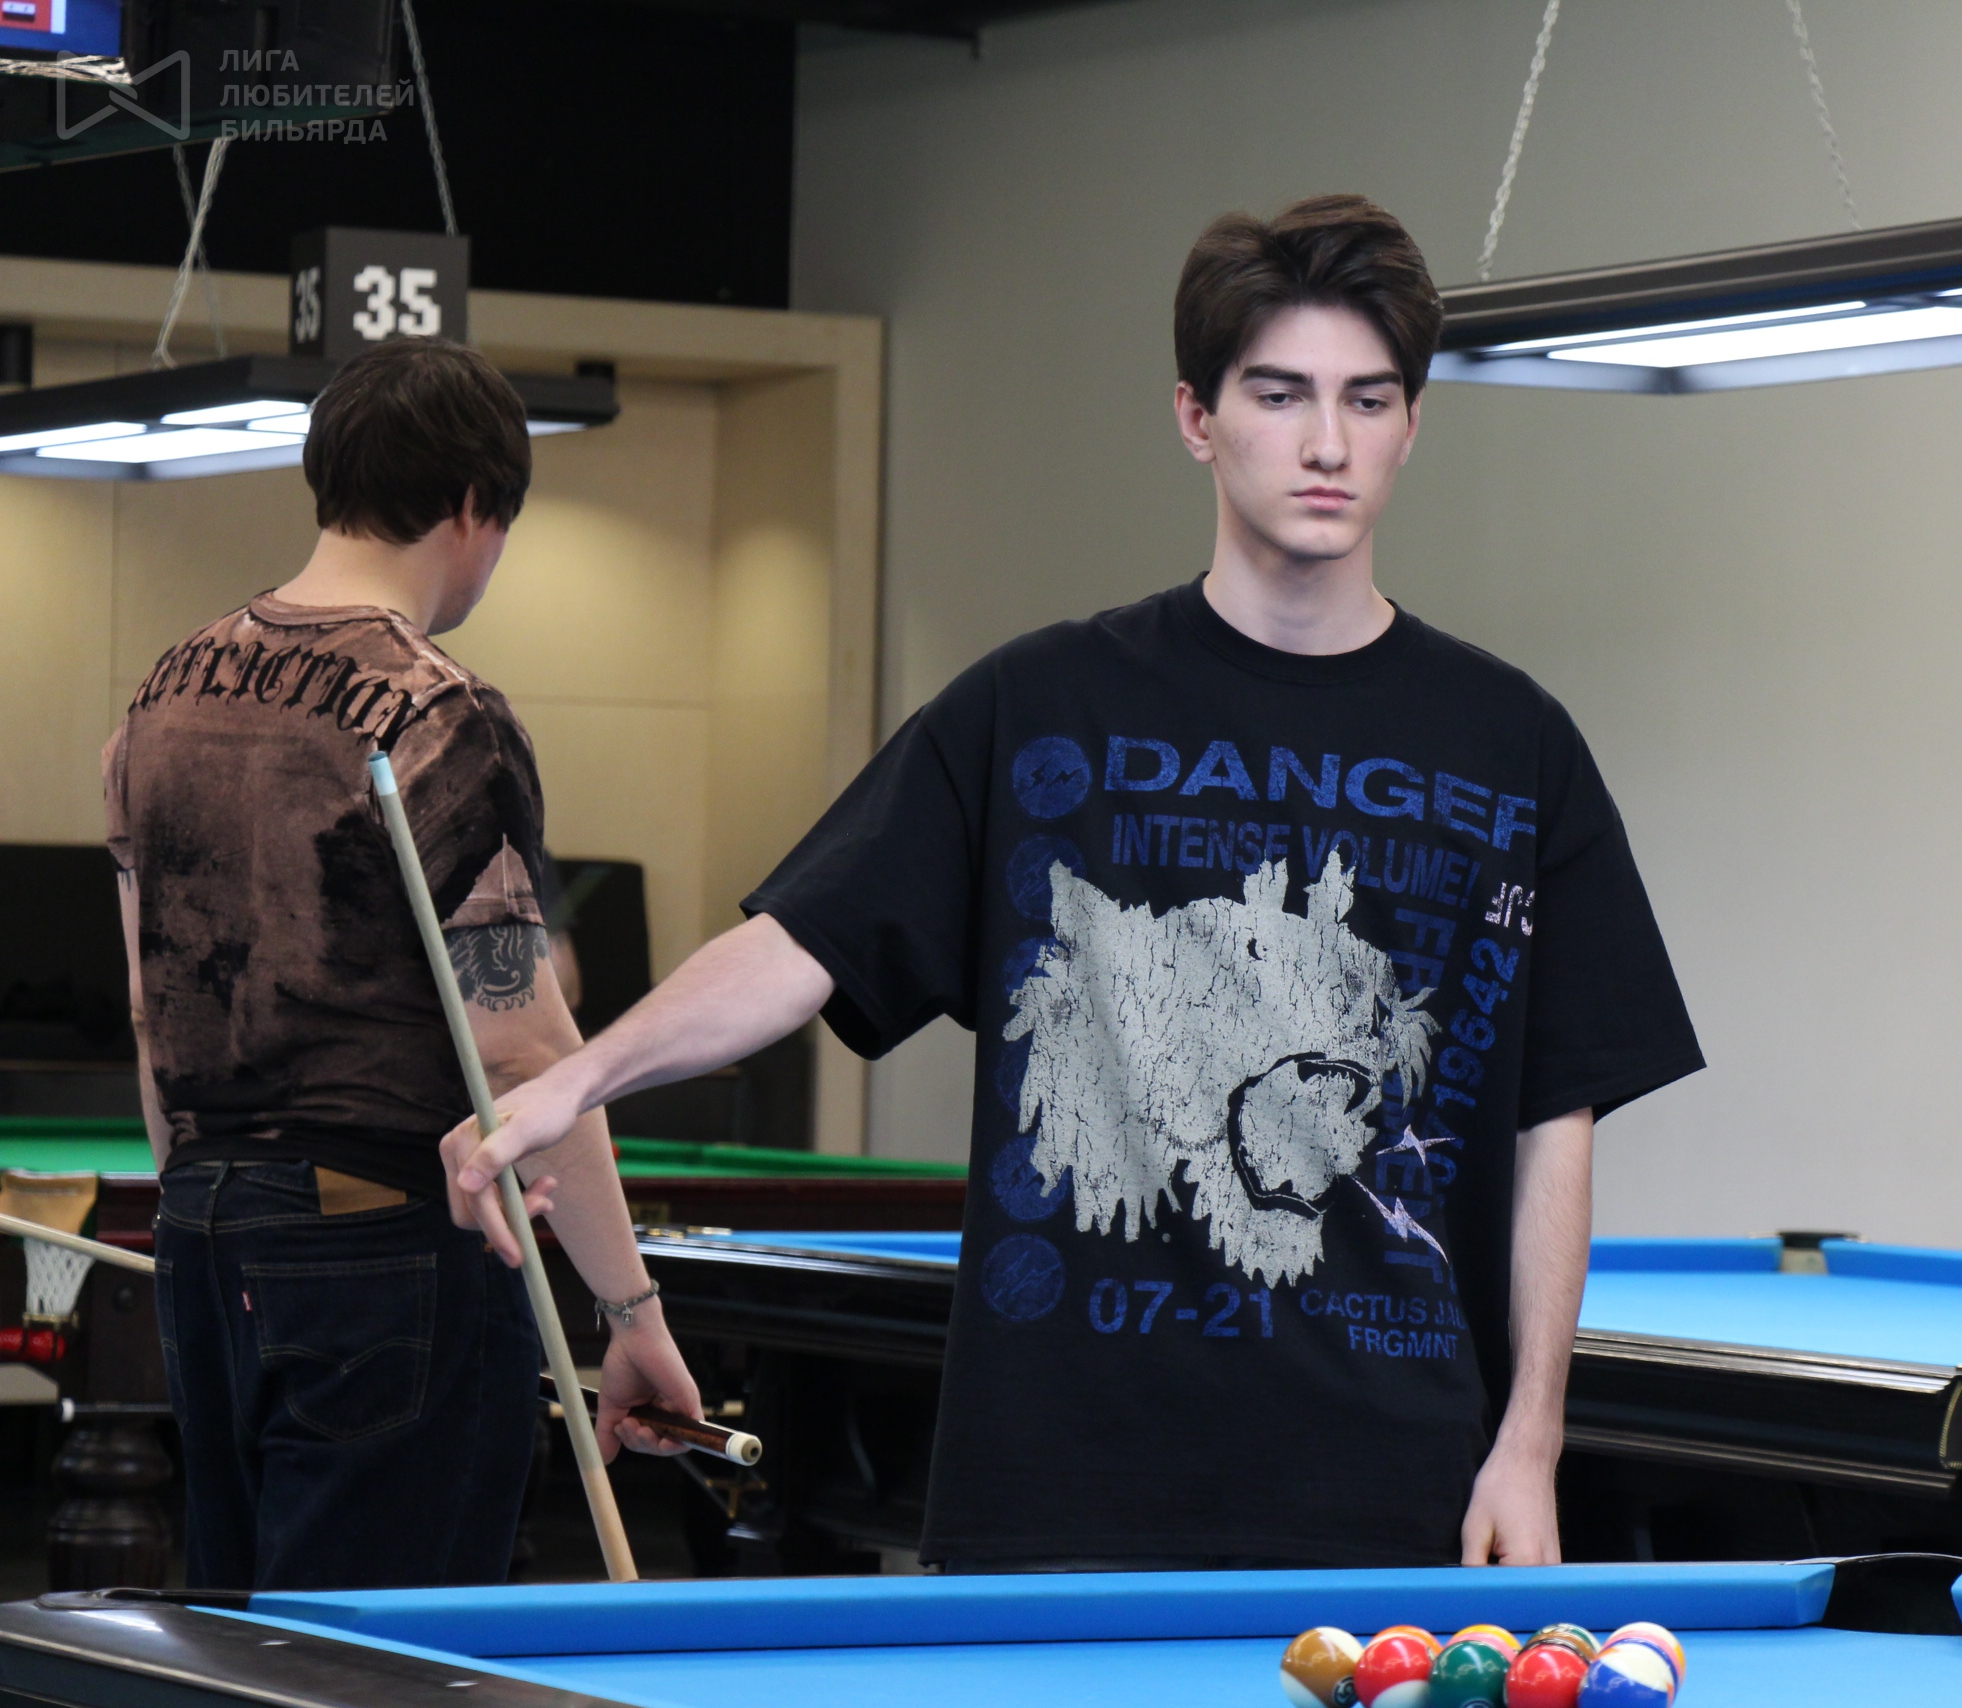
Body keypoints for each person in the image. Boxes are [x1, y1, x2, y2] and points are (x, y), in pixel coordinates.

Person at [449, 195, 1703, 1570]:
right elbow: (804, 943)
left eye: (1368, 399)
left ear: (1412, 425)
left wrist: (1530, 1445)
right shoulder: (1040, 707)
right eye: (1279, 394)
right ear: (1197, 418)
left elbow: (1552, 1118)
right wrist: (579, 1079)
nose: (1327, 443)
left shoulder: (1512, 744)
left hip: (1391, 1486)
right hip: (1062, 1481)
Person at [106, 336, 699, 1590]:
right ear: (476, 506)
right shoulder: (441, 713)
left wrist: (206, 1221)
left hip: (201, 1229)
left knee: (245, 1658)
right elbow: (522, 1052)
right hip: (387, 1246)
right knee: (382, 1671)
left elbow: (151, 1014)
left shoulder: (158, 700)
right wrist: (629, 1312)